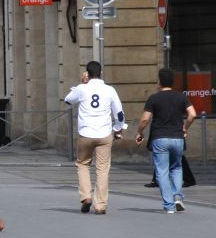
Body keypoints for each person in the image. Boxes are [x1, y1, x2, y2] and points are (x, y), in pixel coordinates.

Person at [64, 61, 126, 215]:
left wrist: (82, 83)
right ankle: (100, 205)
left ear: (87, 73)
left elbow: (68, 99)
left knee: (83, 164)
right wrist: (118, 128)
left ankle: (86, 197)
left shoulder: (82, 89)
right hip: (104, 134)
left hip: (85, 133)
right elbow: (119, 113)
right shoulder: (110, 90)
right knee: (103, 169)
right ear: (101, 73)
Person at [135, 68, 196, 214]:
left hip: (160, 138)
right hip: (177, 138)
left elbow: (145, 119)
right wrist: (185, 128)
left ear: (159, 82)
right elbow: (192, 114)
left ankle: (169, 206)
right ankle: (177, 197)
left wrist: (139, 132)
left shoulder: (154, 98)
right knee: (176, 168)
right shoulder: (181, 97)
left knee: (162, 171)